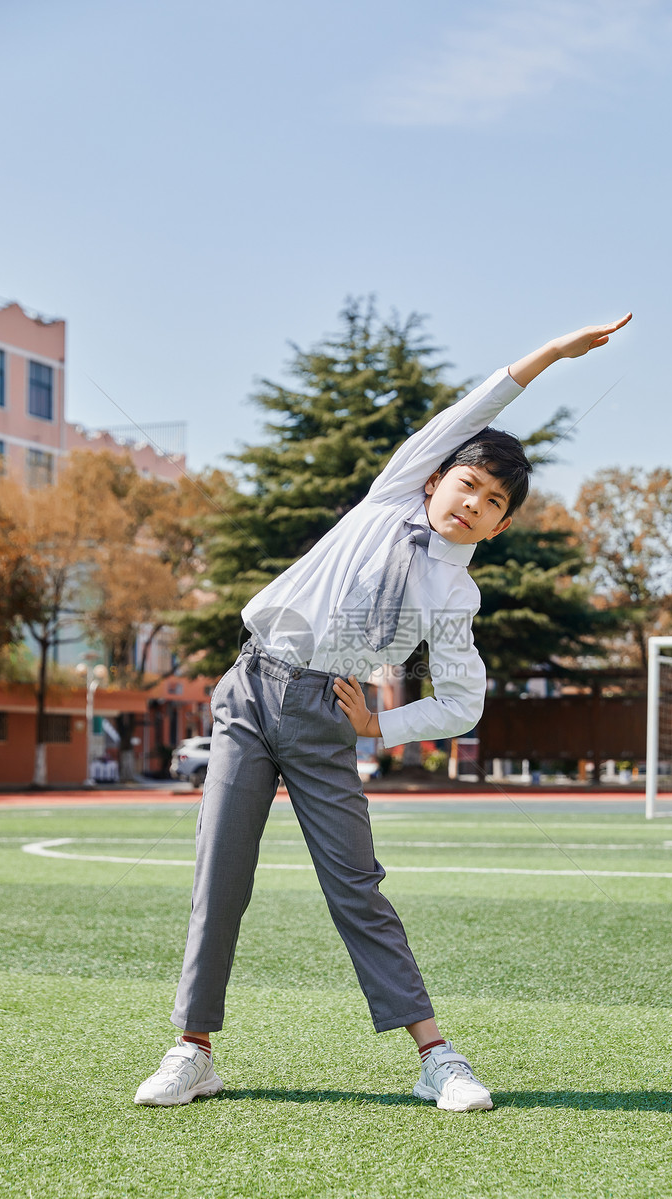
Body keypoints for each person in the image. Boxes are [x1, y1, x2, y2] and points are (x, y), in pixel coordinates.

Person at [135, 312, 632, 1112]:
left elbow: (463, 703)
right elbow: (468, 414)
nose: (473, 502)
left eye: (493, 501)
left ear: (501, 526)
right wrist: (549, 355)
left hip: (324, 717)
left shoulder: (453, 592)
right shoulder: (391, 492)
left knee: (355, 886)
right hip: (248, 690)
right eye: (467, 483)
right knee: (219, 874)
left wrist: (381, 727)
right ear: (437, 479)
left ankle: (436, 1056)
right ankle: (193, 1050)